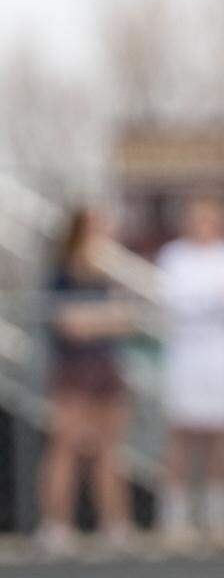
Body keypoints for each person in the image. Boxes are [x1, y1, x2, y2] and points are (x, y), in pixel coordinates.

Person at [155, 192, 224, 545]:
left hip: (222, 359)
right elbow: (169, 301)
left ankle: (218, 515)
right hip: (185, 358)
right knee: (181, 436)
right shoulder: (173, 256)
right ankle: (175, 515)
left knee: (219, 436)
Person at [37, 208, 137, 556]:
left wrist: (97, 321)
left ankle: (116, 524)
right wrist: (102, 319)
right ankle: (56, 525)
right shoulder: (63, 273)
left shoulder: (110, 272)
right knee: (66, 446)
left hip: (105, 367)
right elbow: (69, 324)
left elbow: (124, 319)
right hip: (73, 369)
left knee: (110, 449)